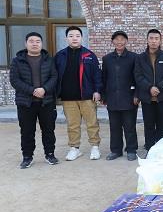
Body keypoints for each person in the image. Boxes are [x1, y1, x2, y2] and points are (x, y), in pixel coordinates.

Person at [9, 32, 59, 168]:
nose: (35, 44)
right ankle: (27, 157)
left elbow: (54, 77)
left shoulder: (49, 60)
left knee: (49, 130)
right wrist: (32, 90)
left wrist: (44, 89)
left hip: (46, 101)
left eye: (38, 41)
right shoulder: (17, 61)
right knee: (27, 131)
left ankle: (50, 154)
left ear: (41, 44)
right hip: (25, 103)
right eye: (31, 41)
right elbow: (14, 80)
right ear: (26, 44)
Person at [55, 26, 103, 161]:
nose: (74, 38)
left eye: (77, 36)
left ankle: (95, 147)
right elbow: (54, 75)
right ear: (66, 38)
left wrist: (97, 91)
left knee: (92, 123)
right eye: (71, 36)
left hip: (87, 96)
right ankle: (74, 148)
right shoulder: (60, 56)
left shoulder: (89, 55)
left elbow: (97, 75)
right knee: (72, 124)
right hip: (68, 97)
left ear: (82, 38)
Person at [134, 29, 163, 152]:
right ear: (147, 40)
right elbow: (138, 75)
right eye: (151, 38)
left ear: (160, 40)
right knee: (149, 125)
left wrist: (159, 87)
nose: (154, 41)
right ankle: (150, 148)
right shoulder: (140, 58)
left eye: (156, 38)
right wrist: (149, 88)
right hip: (147, 98)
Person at [101, 31, 139, 161]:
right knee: (114, 127)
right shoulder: (107, 59)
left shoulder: (134, 57)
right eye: (116, 39)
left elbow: (137, 78)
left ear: (126, 41)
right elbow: (104, 78)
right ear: (113, 42)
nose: (119, 42)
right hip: (112, 98)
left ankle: (131, 149)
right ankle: (116, 150)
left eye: (122, 39)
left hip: (129, 98)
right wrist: (104, 96)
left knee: (130, 126)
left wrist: (136, 94)